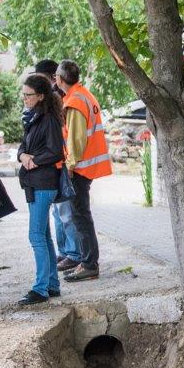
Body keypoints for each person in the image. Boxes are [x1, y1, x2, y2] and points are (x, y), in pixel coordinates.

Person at [55, 60, 112, 282]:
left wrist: (70, 165)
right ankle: (86, 262)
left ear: (59, 79)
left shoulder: (75, 101)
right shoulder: (83, 94)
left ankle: (89, 264)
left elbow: (76, 139)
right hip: (85, 165)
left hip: (80, 168)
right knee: (81, 216)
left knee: (80, 216)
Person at [16, 73, 67, 305]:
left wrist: (33, 159)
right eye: (24, 94)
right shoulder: (34, 117)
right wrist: (23, 155)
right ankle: (51, 284)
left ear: (41, 96)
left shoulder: (48, 119)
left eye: (29, 95)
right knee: (44, 235)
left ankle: (40, 288)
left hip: (43, 182)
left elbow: (56, 151)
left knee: (35, 235)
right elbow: (23, 147)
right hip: (35, 182)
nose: (24, 98)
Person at [34, 59, 80, 271]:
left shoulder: (62, 98)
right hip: (57, 163)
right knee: (58, 213)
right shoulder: (51, 98)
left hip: (64, 163)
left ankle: (73, 252)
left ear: (52, 77)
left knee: (66, 212)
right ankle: (65, 252)